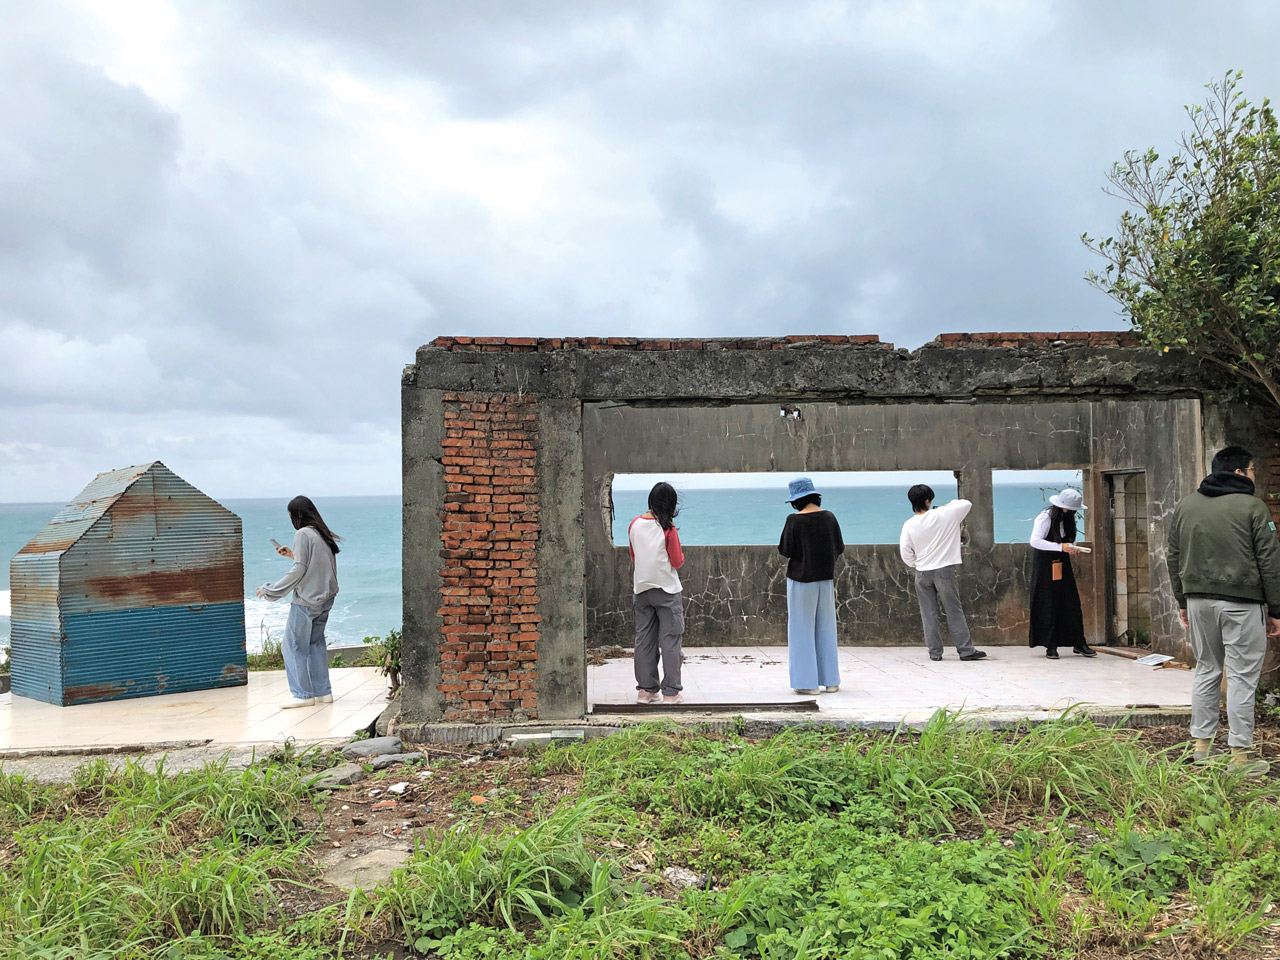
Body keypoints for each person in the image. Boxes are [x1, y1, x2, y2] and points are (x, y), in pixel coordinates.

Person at [1167, 445, 1280, 777]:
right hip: (1242, 604)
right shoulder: (1252, 507)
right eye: (1253, 469)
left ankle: (1200, 750)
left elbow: (1173, 556)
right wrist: (1276, 609)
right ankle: (1239, 758)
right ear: (1239, 473)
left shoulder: (1186, 505)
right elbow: (1270, 562)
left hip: (1198, 601)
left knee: (1206, 670)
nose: (1255, 475)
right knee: (1242, 678)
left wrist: (1182, 601)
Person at [257, 496, 341, 709]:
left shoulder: (302, 533)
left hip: (307, 601)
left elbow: (300, 569)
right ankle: (323, 693)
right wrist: (292, 555)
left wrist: (270, 590)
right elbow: (315, 564)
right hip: (326, 598)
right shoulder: (322, 533)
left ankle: (302, 695)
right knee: (315, 645)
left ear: (298, 515)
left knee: (292, 646)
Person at [899, 484, 986, 662]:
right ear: (928, 500)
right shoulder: (945, 514)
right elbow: (966, 503)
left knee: (928, 613)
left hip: (922, 572)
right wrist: (947, 505)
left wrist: (918, 564)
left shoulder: (909, 524)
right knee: (954, 610)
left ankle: (935, 652)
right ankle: (965, 650)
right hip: (944, 570)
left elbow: (905, 551)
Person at [778, 477, 844, 695]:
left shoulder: (794, 521)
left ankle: (807, 684)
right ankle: (831, 681)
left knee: (801, 630)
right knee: (826, 629)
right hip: (825, 579)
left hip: (801, 580)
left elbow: (786, 550)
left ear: (797, 501)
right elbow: (839, 547)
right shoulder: (830, 517)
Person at [628, 482, 686, 704]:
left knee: (644, 640)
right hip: (667, 590)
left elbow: (634, 556)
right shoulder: (667, 528)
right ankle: (671, 692)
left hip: (641, 589)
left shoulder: (634, 524)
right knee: (670, 641)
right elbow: (677, 561)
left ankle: (646, 690)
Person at [1028, 488, 1097, 660]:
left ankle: (1078, 642)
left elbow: (1067, 538)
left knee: (1071, 601)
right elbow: (1035, 541)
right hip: (1045, 564)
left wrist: (1070, 548)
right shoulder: (1045, 517)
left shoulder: (1067, 518)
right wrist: (1060, 547)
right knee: (1048, 602)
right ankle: (1050, 645)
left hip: (1062, 562)